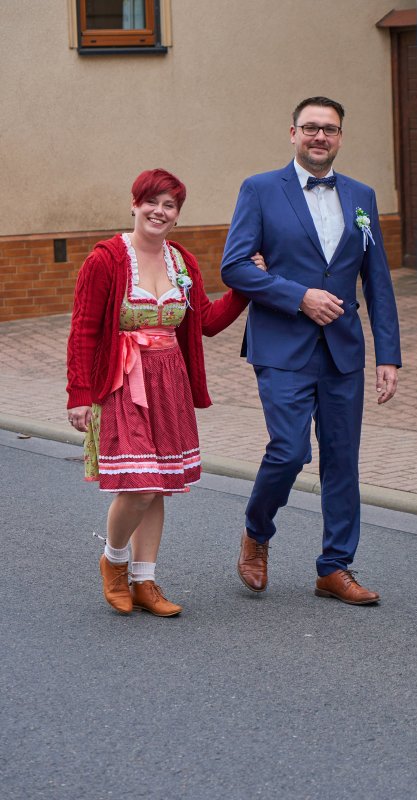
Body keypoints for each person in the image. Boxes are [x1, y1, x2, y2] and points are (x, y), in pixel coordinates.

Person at [221, 97, 401, 605]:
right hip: (282, 345)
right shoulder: (260, 189)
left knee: (342, 459)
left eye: (330, 129)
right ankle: (257, 531)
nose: (320, 136)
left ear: (340, 137)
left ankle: (335, 568)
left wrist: (388, 355)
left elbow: (378, 282)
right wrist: (299, 296)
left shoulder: (362, 196)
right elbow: (235, 266)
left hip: (343, 351)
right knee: (290, 449)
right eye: (311, 128)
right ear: (293, 133)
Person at [67, 168, 264, 617]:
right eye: (151, 202)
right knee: (139, 486)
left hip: (168, 382)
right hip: (122, 380)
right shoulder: (106, 259)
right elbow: (84, 330)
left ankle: (145, 580)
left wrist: (245, 287)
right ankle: (114, 562)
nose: (159, 211)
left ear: (177, 215)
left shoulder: (182, 262)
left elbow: (206, 321)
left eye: (169, 205)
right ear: (134, 205)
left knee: (157, 487)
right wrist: (78, 394)